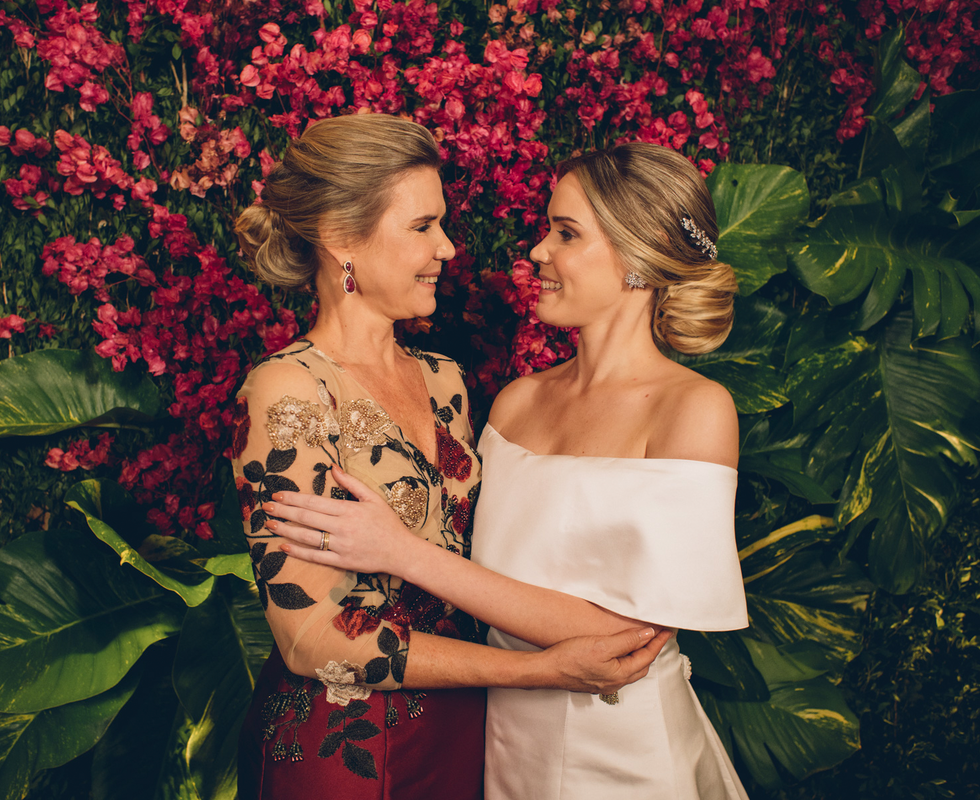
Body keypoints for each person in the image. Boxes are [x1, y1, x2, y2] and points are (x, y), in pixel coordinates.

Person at [268, 142, 750, 799]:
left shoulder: (694, 409)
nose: (538, 251)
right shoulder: (515, 403)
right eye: (549, 229)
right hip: (500, 749)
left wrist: (399, 552)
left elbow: (629, 640)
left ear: (637, 257)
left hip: (625, 756)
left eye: (566, 233)